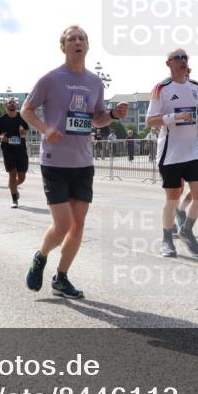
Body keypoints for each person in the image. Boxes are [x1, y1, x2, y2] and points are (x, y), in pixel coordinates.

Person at [20, 24, 129, 298]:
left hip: (83, 162)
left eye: (81, 38)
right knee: (63, 225)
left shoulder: (95, 82)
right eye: (71, 39)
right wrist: (45, 129)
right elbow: (26, 110)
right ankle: (41, 256)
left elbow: (97, 118)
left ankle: (61, 277)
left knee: (78, 225)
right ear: (63, 46)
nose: (77, 42)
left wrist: (112, 115)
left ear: (87, 45)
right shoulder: (50, 79)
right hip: (55, 161)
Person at [146, 49, 198, 257]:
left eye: (185, 58)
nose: (183, 61)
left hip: (193, 151)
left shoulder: (195, 87)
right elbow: (150, 121)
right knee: (172, 199)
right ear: (168, 63)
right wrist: (174, 117)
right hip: (170, 152)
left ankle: (186, 230)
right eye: (178, 58)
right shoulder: (160, 88)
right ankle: (166, 240)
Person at [0, 98, 30, 208]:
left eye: (13, 102)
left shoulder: (21, 116)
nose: (12, 104)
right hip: (8, 149)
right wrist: (1, 137)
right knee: (12, 173)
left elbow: (26, 130)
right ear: (5, 105)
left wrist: (23, 132)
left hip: (21, 149)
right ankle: (14, 198)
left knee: (22, 177)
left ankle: (12, 186)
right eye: (9, 102)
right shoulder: (2, 119)